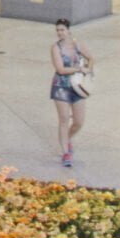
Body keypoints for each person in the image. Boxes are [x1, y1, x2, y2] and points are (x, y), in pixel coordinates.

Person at [49, 18, 93, 169]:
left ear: (68, 30)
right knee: (64, 119)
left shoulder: (77, 45)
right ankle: (65, 152)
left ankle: (67, 138)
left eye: (62, 30)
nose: (60, 33)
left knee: (79, 121)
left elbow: (91, 58)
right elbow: (60, 69)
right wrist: (79, 69)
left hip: (77, 86)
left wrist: (88, 70)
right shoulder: (56, 48)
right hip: (61, 86)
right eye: (58, 30)